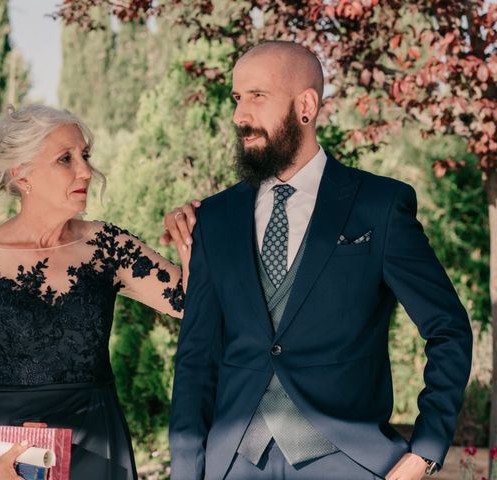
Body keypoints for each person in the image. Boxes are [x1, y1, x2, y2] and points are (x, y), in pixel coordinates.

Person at [165, 41, 473, 480]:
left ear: (306, 105)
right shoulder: (214, 217)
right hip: (233, 463)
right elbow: (195, 358)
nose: (240, 116)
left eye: (257, 96)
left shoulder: (378, 207)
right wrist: (185, 469)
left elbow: (448, 329)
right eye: (237, 99)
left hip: (348, 460)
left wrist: (423, 452)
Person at [0, 105, 187, 480]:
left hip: (99, 450)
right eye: (66, 158)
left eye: (85, 156)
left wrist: (189, 239)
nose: (85, 170)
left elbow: (190, 302)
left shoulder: (107, 246)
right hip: (4, 460)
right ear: (22, 174)